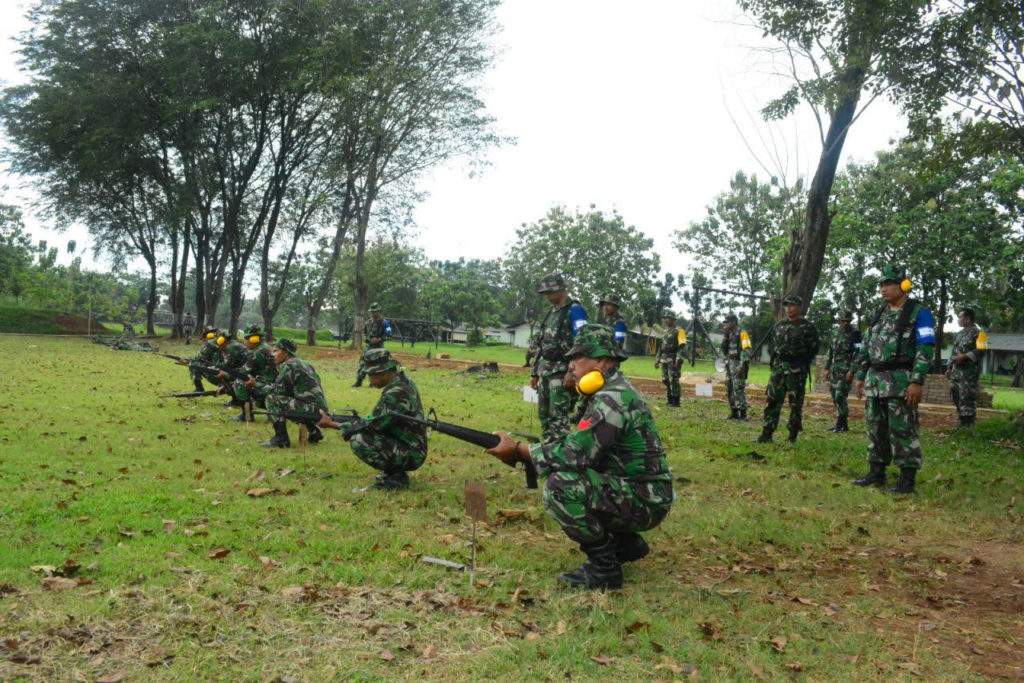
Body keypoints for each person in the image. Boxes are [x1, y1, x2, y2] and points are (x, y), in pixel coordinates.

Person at [485, 324, 673, 590]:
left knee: (560, 486)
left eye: (577, 358)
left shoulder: (612, 398)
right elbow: (579, 445)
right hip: (643, 490)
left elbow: (576, 454)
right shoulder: (610, 390)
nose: (571, 365)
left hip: (646, 498)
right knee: (563, 472)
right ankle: (625, 545)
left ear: (601, 360)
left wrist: (518, 450)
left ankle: (604, 569)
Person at [852, 266, 935, 494]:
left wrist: (916, 381)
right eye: (881, 285)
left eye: (888, 284)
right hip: (875, 381)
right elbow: (867, 346)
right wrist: (860, 375)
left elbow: (925, 347)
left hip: (901, 381)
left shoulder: (919, 313)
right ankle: (876, 472)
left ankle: (907, 480)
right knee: (875, 428)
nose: (883, 289)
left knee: (902, 430)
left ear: (903, 285)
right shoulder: (879, 313)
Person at [319, 349, 427, 491]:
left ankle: (394, 479)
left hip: (411, 453)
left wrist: (332, 424)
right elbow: (378, 420)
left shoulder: (396, 392)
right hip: (409, 445)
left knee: (359, 440)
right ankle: (393, 472)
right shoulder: (402, 382)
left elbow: (372, 424)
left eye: (372, 374)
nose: (369, 379)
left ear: (385, 371)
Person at [531, 274, 588, 443]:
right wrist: (535, 373)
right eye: (545, 293)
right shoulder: (551, 313)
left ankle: (562, 457)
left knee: (559, 418)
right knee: (544, 416)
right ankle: (548, 453)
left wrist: (572, 372)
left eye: (549, 292)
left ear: (561, 289)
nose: (546, 296)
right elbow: (542, 344)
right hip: (546, 371)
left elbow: (582, 342)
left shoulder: (575, 310)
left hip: (562, 372)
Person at [757, 295, 820, 444]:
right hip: (779, 369)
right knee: (772, 400)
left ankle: (792, 435)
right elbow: (774, 346)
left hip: (797, 370)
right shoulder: (779, 326)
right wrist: (775, 363)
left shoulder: (807, 327)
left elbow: (814, 347)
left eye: (792, 305)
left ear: (799, 307)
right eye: (786, 305)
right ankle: (767, 433)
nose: (788, 308)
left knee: (795, 404)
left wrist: (801, 361)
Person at [260, 338, 329, 449]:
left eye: (276, 351)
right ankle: (314, 432)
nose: (273, 355)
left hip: (312, 409)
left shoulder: (289, 365)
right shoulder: (304, 363)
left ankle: (281, 439)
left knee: (272, 399)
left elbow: (277, 390)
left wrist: (257, 385)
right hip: (320, 408)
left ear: (286, 352)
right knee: (291, 402)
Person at [947, 308, 986, 429]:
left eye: (960, 317)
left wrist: (965, 356)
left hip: (969, 373)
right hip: (956, 372)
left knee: (967, 396)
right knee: (956, 394)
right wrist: (949, 367)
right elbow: (954, 352)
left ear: (967, 319)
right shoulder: (959, 334)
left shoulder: (980, 333)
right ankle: (962, 421)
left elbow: (982, 349)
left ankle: (969, 424)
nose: (958, 320)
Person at [824, 310, 862, 433]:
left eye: (847, 321)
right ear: (839, 321)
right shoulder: (835, 332)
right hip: (835, 369)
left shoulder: (855, 334)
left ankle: (840, 424)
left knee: (840, 395)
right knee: (834, 395)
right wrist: (826, 368)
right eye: (842, 321)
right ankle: (843, 425)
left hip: (846, 370)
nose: (844, 323)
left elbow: (858, 353)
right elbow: (830, 351)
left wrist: (852, 370)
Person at [234, 324, 278, 421]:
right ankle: (271, 412)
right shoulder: (266, 347)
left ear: (254, 339)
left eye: (246, 339)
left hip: (270, 385)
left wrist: (229, 373)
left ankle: (246, 415)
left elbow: (244, 371)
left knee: (239, 383)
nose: (244, 342)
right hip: (277, 384)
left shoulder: (257, 352)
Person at [721, 313, 752, 420]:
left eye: (728, 322)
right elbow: (724, 350)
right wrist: (725, 335)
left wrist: (742, 366)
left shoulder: (742, 333)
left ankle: (743, 414)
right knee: (729, 388)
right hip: (730, 364)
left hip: (739, 364)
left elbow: (747, 350)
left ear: (734, 322)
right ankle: (734, 412)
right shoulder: (728, 334)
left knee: (738, 389)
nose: (726, 324)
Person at [353, 303, 392, 387]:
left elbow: (389, 335)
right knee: (363, 364)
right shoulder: (368, 322)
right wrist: (368, 339)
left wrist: (379, 339)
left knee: (377, 366)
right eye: (372, 312)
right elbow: (365, 333)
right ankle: (358, 381)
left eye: (375, 312)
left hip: (379, 348)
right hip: (369, 347)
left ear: (379, 311)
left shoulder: (385, 323)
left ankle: (374, 383)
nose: (373, 314)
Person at [654, 311, 686, 407]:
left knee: (674, 380)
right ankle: (669, 399)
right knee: (665, 379)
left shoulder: (680, 331)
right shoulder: (664, 332)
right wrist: (657, 359)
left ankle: (676, 401)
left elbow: (682, 346)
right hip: (664, 359)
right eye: (666, 318)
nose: (667, 320)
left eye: (669, 318)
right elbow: (660, 347)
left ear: (673, 320)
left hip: (673, 359)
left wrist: (679, 358)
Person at [179, 326, 222, 393]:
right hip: (222, 369)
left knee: (194, 366)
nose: (204, 339)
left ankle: (199, 388)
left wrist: (188, 360)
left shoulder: (211, 344)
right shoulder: (220, 341)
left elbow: (199, 358)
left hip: (218, 372)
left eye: (205, 336)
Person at [214, 332, 249, 409]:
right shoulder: (233, 344)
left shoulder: (231, 348)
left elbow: (226, 366)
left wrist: (218, 369)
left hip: (245, 374)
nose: (219, 346)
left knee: (224, 375)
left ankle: (236, 401)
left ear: (224, 341)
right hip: (245, 371)